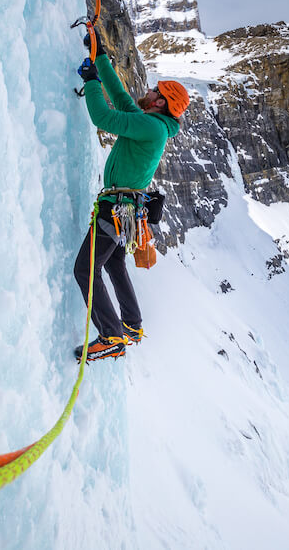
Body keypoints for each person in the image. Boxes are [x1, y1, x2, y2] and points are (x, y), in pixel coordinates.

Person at [73, 31, 190, 362]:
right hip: (123, 209)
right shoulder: (148, 121)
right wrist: (100, 59)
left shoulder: (152, 128)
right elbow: (121, 97)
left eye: (155, 91)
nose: (148, 90)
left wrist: (91, 82)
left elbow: (104, 117)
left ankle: (111, 336)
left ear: (161, 102)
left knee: (86, 269)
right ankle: (132, 324)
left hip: (118, 209)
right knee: (112, 262)